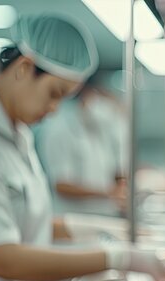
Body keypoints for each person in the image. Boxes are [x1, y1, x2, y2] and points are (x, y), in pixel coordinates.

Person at [0, 15, 165, 281]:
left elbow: (23, 218)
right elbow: (1, 257)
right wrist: (116, 257)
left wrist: (96, 228)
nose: (55, 110)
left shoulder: (18, 134)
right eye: (54, 94)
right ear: (24, 68)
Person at [36, 82, 127, 217]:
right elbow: (61, 185)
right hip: (71, 220)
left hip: (101, 217)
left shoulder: (99, 131)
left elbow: (112, 168)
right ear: (86, 96)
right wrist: (108, 193)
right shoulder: (59, 131)